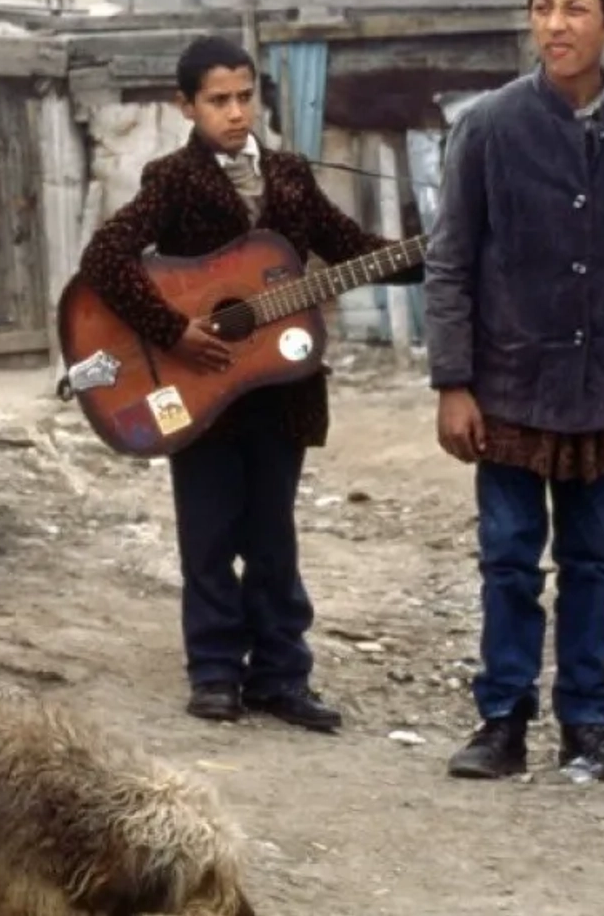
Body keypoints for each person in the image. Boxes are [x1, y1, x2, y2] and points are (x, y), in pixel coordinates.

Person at [72, 36, 415, 735]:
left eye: (244, 96)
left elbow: (352, 248)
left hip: (281, 386)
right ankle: (215, 673)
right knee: (207, 531)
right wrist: (171, 330)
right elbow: (105, 255)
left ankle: (282, 675)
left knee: (272, 533)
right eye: (217, 100)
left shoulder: (290, 175)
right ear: (186, 105)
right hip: (201, 389)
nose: (235, 113)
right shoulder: (171, 178)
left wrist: (440, 253)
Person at [424, 0, 604, 783]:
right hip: (506, 385)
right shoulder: (490, 125)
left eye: (575, 8)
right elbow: (451, 259)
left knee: (594, 561)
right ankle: (502, 718)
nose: (556, 24)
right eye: (544, 6)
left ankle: (589, 721)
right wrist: (453, 382)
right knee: (509, 559)